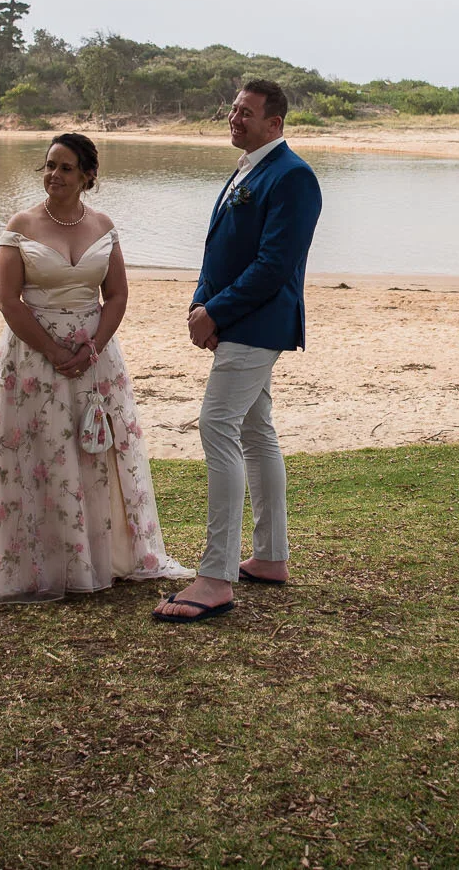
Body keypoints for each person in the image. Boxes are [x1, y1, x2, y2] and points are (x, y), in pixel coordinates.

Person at [0, 133, 191, 603]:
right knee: (39, 452)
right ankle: (39, 564)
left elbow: (117, 295)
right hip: (31, 358)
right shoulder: (22, 224)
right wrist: (51, 349)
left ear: (88, 175)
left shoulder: (103, 225)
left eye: (66, 168)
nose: (54, 175)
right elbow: (7, 299)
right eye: (49, 165)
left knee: (94, 454)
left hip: (95, 362)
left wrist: (93, 348)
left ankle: (101, 558)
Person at [153, 80, 322, 622]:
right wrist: (200, 302)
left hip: (259, 323)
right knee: (254, 430)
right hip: (236, 319)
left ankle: (215, 577)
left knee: (216, 425)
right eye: (233, 109)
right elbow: (219, 245)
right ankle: (271, 557)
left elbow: (274, 266)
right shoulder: (249, 167)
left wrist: (218, 312)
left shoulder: (293, 176)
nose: (235, 118)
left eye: (246, 112)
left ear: (276, 123)